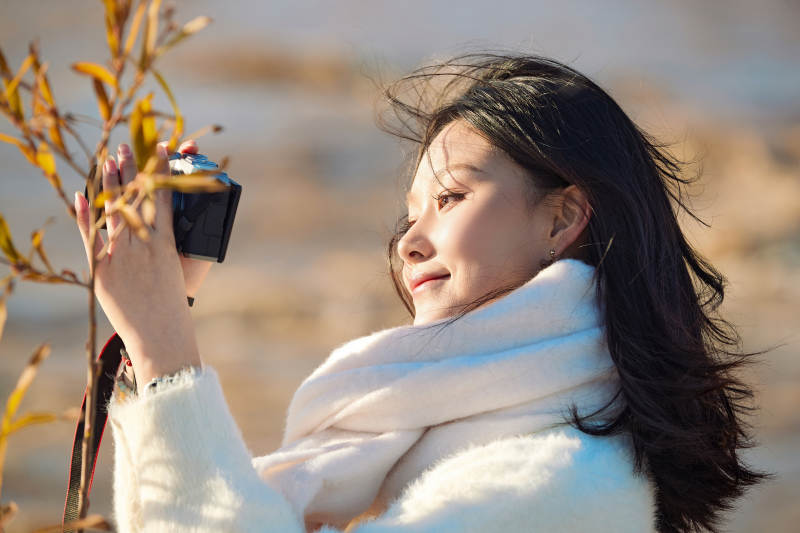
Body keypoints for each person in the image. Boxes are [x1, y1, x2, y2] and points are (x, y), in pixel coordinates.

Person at [73, 53, 769, 533]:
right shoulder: (446, 435)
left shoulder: (562, 485)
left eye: (451, 197)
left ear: (561, 218)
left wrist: (166, 348)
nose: (408, 242)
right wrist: (150, 339)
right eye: (409, 214)